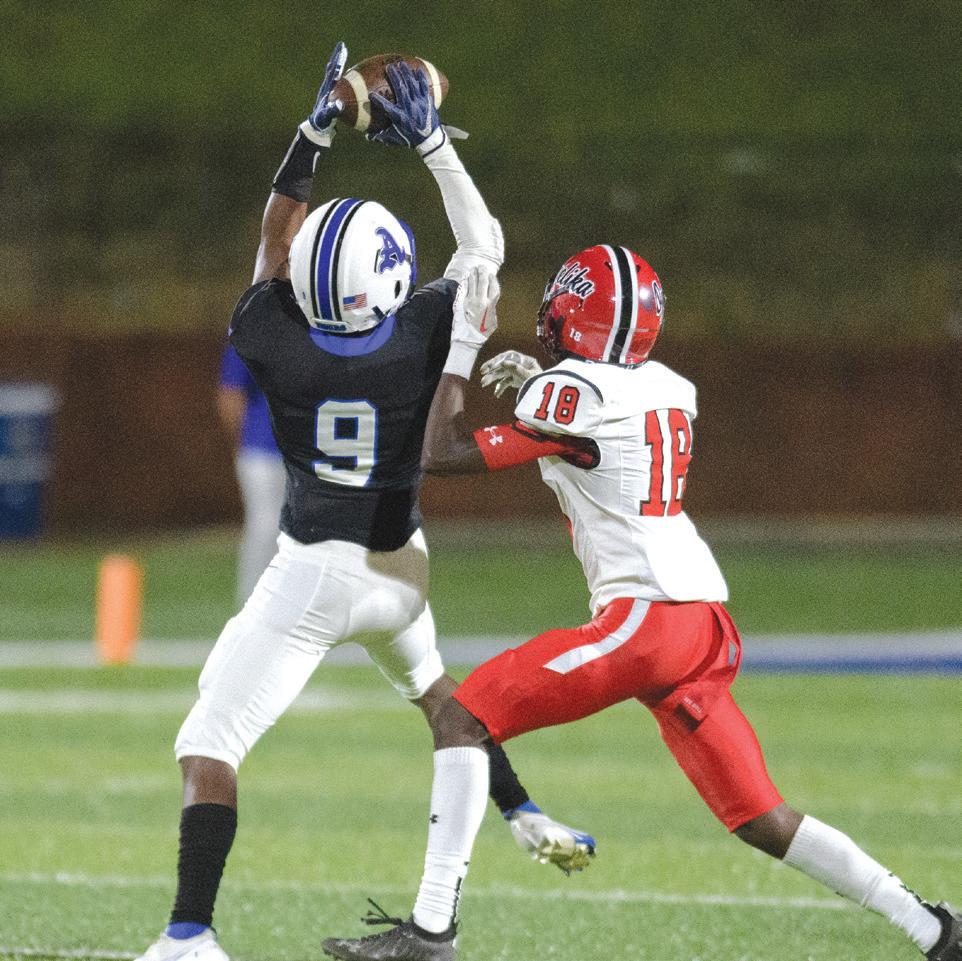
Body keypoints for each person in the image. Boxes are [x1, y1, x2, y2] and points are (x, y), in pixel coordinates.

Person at [322, 248, 962, 961]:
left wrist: (464, 346)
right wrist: (540, 387)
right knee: (761, 817)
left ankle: (431, 931)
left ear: (572, 313)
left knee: (462, 716)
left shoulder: (572, 396)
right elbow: (605, 438)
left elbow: (438, 453)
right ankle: (935, 928)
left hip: (644, 620)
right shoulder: (667, 386)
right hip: (702, 622)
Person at [134, 45, 595, 961]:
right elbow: (483, 246)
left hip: (313, 572)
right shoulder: (424, 331)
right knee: (445, 702)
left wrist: (312, 133)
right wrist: (431, 144)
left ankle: (189, 936)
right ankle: (521, 813)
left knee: (209, 740)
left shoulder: (271, 336)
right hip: (402, 567)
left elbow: (274, 241)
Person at [217, 344, 286, 606]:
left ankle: (290, 604)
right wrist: (241, 443)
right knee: (265, 527)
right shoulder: (249, 331)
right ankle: (251, 604)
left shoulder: (315, 330)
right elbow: (230, 395)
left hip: (305, 452)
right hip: (261, 448)